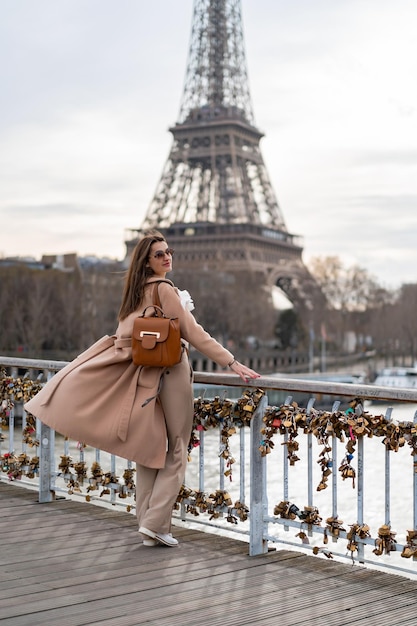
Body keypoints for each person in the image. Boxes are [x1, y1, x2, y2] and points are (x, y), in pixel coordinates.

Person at [25, 230, 260, 548]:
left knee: (149, 451)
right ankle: (154, 523)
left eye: (168, 251)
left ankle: (149, 525)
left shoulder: (136, 291)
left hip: (145, 373)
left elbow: (126, 334)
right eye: (159, 254)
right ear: (147, 263)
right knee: (177, 449)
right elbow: (193, 331)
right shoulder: (163, 288)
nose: (167, 257)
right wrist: (231, 362)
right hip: (171, 372)